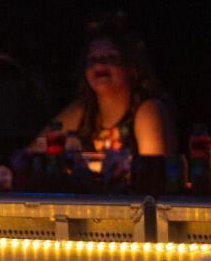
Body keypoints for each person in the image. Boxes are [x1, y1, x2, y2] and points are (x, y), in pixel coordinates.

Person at [26, 17, 175, 158]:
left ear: (131, 67)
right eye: (93, 59)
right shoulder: (81, 112)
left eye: (110, 57)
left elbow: (154, 172)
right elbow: (31, 154)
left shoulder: (149, 110)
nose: (99, 64)